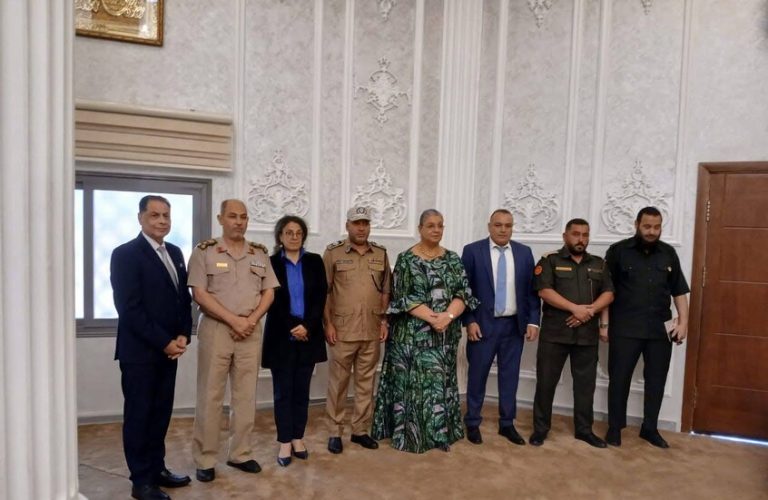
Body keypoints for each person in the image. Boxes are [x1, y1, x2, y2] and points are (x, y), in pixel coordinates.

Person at [372, 209, 478, 453]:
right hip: (411, 338)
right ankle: (411, 436)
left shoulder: (453, 259)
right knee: (415, 387)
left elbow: (463, 293)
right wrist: (434, 319)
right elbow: (403, 297)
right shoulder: (406, 259)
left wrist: (447, 317)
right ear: (420, 228)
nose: (436, 230)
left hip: (444, 337)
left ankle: (439, 435)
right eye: (430, 225)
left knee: (439, 386)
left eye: (440, 225)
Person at [187, 199, 278, 482]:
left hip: (250, 330)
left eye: (243, 217)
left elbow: (269, 292)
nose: (239, 222)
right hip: (216, 329)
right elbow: (199, 293)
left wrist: (250, 320)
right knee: (210, 395)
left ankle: (240, 453)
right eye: (233, 216)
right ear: (221, 219)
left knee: (245, 396)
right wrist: (233, 320)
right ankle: (205, 458)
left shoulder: (259, 253)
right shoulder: (204, 251)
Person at [110, 195, 192, 500]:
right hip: (140, 354)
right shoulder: (125, 254)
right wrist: (164, 342)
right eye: (155, 215)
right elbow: (129, 309)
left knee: (160, 415)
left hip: (170, 352)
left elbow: (182, 299)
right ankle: (141, 481)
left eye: (166, 215)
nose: (162, 221)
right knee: (139, 417)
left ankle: (157, 470)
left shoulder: (175, 252)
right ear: (140, 218)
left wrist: (183, 333)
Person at [604, 206, 690, 448]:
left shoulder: (668, 253)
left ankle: (649, 428)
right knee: (619, 379)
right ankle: (614, 427)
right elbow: (606, 291)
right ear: (637, 225)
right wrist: (604, 324)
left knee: (656, 380)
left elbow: (679, 291)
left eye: (657, 227)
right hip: (625, 327)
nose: (652, 231)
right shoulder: (618, 251)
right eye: (647, 226)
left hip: (660, 330)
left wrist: (684, 322)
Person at [529, 218, 614, 448]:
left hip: (586, 335)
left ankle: (584, 430)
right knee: (546, 383)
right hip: (555, 334)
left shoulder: (599, 264)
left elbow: (608, 293)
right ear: (565, 236)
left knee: (585, 386)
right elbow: (544, 291)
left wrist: (590, 311)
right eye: (576, 234)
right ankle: (540, 429)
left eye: (585, 235)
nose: (581, 239)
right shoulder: (550, 260)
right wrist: (574, 308)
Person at [461, 209, 541, 446]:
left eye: (508, 225)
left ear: (512, 227)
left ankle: (507, 423)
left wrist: (533, 320)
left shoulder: (524, 253)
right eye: (498, 225)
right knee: (477, 376)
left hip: (513, 327)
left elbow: (532, 292)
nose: (503, 229)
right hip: (482, 326)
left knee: (510, 377)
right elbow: (463, 290)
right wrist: (469, 320)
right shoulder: (472, 251)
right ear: (489, 226)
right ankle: (472, 421)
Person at [323, 206, 391, 454]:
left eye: (365, 223)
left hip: (371, 330)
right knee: (338, 385)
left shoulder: (381, 253)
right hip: (342, 331)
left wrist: (383, 321)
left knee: (366, 383)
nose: (361, 228)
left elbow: (386, 290)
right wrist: (328, 324)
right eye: (356, 223)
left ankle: (360, 430)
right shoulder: (333, 253)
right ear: (347, 226)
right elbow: (325, 292)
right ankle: (335, 432)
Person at [262, 215, 328, 466]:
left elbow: (320, 297)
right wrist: (293, 326)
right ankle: (284, 442)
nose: (294, 237)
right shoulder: (270, 263)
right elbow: (272, 301)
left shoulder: (314, 261)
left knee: (302, 391)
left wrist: (307, 326)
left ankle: (298, 437)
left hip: (308, 335)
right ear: (280, 236)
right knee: (283, 393)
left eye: (299, 233)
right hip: (281, 337)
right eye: (289, 232)